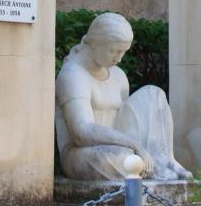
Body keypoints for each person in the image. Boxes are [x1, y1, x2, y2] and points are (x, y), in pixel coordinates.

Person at [55, 12, 191, 182]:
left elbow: (125, 119)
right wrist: (134, 145)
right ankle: (151, 166)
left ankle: (167, 161)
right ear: (95, 43)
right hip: (82, 152)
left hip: (123, 145)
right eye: (114, 51)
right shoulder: (73, 75)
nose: (119, 58)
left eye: (123, 52)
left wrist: (135, 146)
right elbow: (82, 132)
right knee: (122, 160)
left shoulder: (118, 75)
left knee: (154, 93)